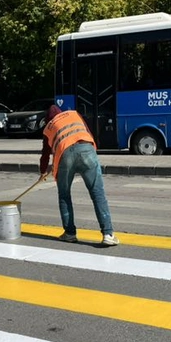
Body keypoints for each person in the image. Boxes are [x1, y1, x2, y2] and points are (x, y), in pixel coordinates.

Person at [39, 105, 119, 246]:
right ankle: (108, 234)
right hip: (86, 149)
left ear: (48, 119)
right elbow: (88, 132)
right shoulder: (74, 114)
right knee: (97, 193)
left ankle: (69, 233)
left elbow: (45, 153)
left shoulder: (49, 127)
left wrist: (43, 171)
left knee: (64, 195)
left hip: (65, 155)